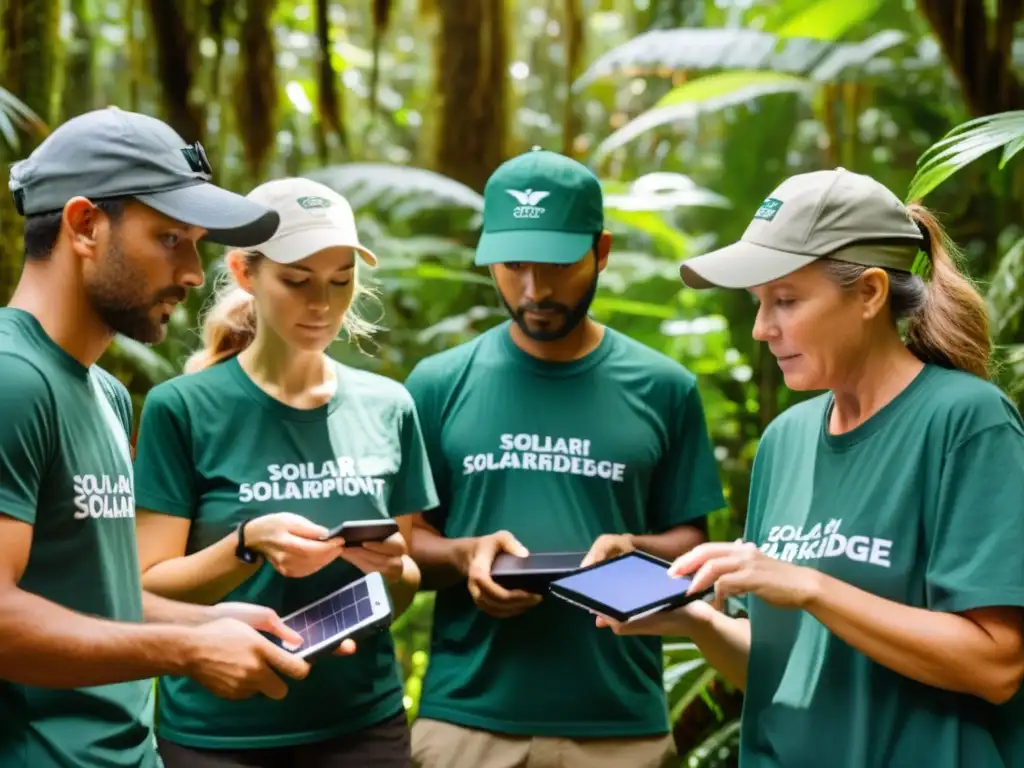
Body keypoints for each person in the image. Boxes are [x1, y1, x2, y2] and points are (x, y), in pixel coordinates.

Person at [598, 168, 1024, 767]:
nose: (761, 328)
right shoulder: (785, 440)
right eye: (758, 304)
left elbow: (996, 663)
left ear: (870, 293)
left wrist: (810, 586)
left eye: (786, 301)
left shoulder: (968, 423)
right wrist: (693, 619)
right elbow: (779, 665)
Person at [0, 106, 321, 768]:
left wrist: (208, 623)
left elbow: (94, 599)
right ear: (85, 226)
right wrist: (186, 652)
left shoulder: (107, 395)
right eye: (172, 238)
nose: (195, 274)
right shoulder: (12, 382)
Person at [404, 148, 727, 768]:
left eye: (556, 263)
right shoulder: (438, 383)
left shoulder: (664, 387)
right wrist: (465, 556)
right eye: (513, 264)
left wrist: (635, 549)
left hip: (618, 725)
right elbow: (409, 541)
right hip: (467, 723)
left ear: (600, 252)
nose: (534, 290)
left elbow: (691, 541)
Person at [131, 176, 439, 768]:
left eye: (341, 281)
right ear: (247, 274)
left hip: (362, 728)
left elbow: (400, 585)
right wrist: (247, 545)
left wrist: (393, 566)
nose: (321, 304)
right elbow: (146, 586)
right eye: (297, 282)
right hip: (219, 735)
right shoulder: (184, 408)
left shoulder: (389, 406)